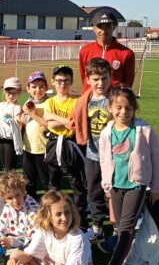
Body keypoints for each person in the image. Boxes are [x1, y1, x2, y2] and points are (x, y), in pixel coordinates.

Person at [96, 85, 159, 265]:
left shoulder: (144, 130)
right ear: (110, 107)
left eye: (128, 108)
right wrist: (106, 185)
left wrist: (156, 188)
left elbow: (156, 159)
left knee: (126, 229)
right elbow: (103, 160)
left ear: (134, 109)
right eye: (119, 107)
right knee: (119, 228)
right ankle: (127, 260)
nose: (123, 112)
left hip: (135, 185)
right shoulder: (106, 132)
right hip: (115, 187)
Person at [71, 58, 113, 242]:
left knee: (115, 193)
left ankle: (118, 229)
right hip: (92, 154)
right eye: (96, 79)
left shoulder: (116, 99)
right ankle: (97, 228)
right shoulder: (84, 101)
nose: (100, 83)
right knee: (94, 192)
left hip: (115, 157)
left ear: (110, 77)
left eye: (104, 78)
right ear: (88, 79)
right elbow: (74, 123)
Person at [42, 65, 87, 228]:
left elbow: (72, 124)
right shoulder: (49, 102)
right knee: (53, 182)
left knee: (77, 182)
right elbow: (50, 124)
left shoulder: (76, 101)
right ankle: (51, 215)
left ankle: (80, 218)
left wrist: (54, 117)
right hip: (54, 143)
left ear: (71, 81)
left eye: (66, 80)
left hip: (71, 143)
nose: (62, 84)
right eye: (59, 80)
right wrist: (63, 121)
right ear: (53, 81)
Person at [0, 171, 37, 259]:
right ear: (4, 199)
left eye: (17, 195)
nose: (15, 200)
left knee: (21, 252)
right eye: (10, 198)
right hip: (10, 241)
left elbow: (34, 239)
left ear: (23, 191)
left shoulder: (33, 210)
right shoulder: (7, 207)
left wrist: (12, 241)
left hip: (25, 244)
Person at [79, 9, 135, 92]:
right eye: (100, 26)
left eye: (108, 26)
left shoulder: (126, 53)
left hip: (114, 98)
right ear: (93, 28)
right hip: (90, 98)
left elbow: (127, 84)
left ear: (114, 27)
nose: (103, 31)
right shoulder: (85, 51)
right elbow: (84, 77)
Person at [19, 71, 50, 199]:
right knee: (29, 181)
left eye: (41, 86)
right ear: (28, 89)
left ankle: (50, 204)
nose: (38, 90)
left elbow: (48, 124)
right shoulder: (28, 103)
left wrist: (33, 114)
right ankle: (31, 203)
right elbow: (24, 121)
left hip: (44, 148)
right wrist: (22, 115)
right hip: (28, 148)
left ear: (46, 88)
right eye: (34, 87)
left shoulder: (49, 103)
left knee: (46, 180)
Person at [0, 77, 23, 172]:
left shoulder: (17, 107)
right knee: (5, 166)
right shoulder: (1, 105)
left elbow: (19, 124)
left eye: (14, 93)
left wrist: (10, 120)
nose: (11, 96)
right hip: (1, 139)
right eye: (9, 93)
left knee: (10, 167)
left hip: (11, 141)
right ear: (4, 92)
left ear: (18, 92)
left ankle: (11, 181)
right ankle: (7, 180)